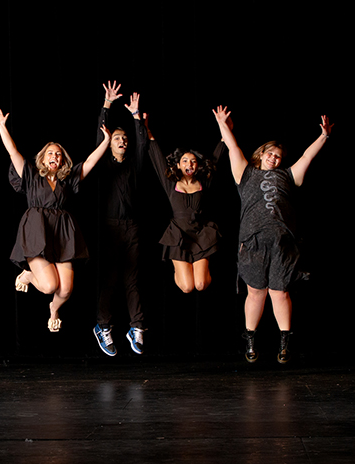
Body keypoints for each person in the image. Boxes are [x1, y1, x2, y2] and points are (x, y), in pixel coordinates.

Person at [213, 105, 332, 364]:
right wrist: (223, 124)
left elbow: (306, 158)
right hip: (253, 242)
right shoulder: (246, 173)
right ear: (262, 154)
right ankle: (251, 341)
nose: (274, 159)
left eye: (278, 156)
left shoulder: (288, 176)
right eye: (270, 154)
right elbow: (233, 148)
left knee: (280, 292)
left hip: (283, 243)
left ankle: (284, 343)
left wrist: (323, 136)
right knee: (256, 292)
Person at [0, 107, 111, 332]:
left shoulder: (67, 180)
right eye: (50, 153)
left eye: (58, 154)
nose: (54, 157)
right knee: (49, 285)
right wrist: (1, 127)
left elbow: (90, 163)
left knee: (65, 289)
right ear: (42, 157)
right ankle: (28, 274)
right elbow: (12, 151)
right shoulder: (30, 174)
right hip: (37, 231)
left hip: (63, 235)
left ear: (63, 159)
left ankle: (54, 310)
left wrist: (105, 142)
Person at [92, 83, 149, 356]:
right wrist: (106, 105)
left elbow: (142, 143)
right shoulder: (104, 165)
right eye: (117, 138)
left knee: (132, 280)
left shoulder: (134, 166)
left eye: (124, 138)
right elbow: (99, 138)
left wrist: (137, 118)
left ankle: (136, 327)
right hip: (110, 228)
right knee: (110, 279)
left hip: (132, 228)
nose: (122, 141)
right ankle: (103, 326)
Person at [147, 111, 226, 294]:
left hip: (201, 233)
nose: (189, 164)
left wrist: (225, 130)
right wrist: (147, 130)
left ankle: (201, 271)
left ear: (197, 166)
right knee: (187, 287)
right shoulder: (171, 183)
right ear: (179, 165)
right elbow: (157, 157)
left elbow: (218, 155)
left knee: (200, 285)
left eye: (193, 161)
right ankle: (182, 269)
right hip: (179, 234)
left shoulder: (203, 182)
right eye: (185, 161)